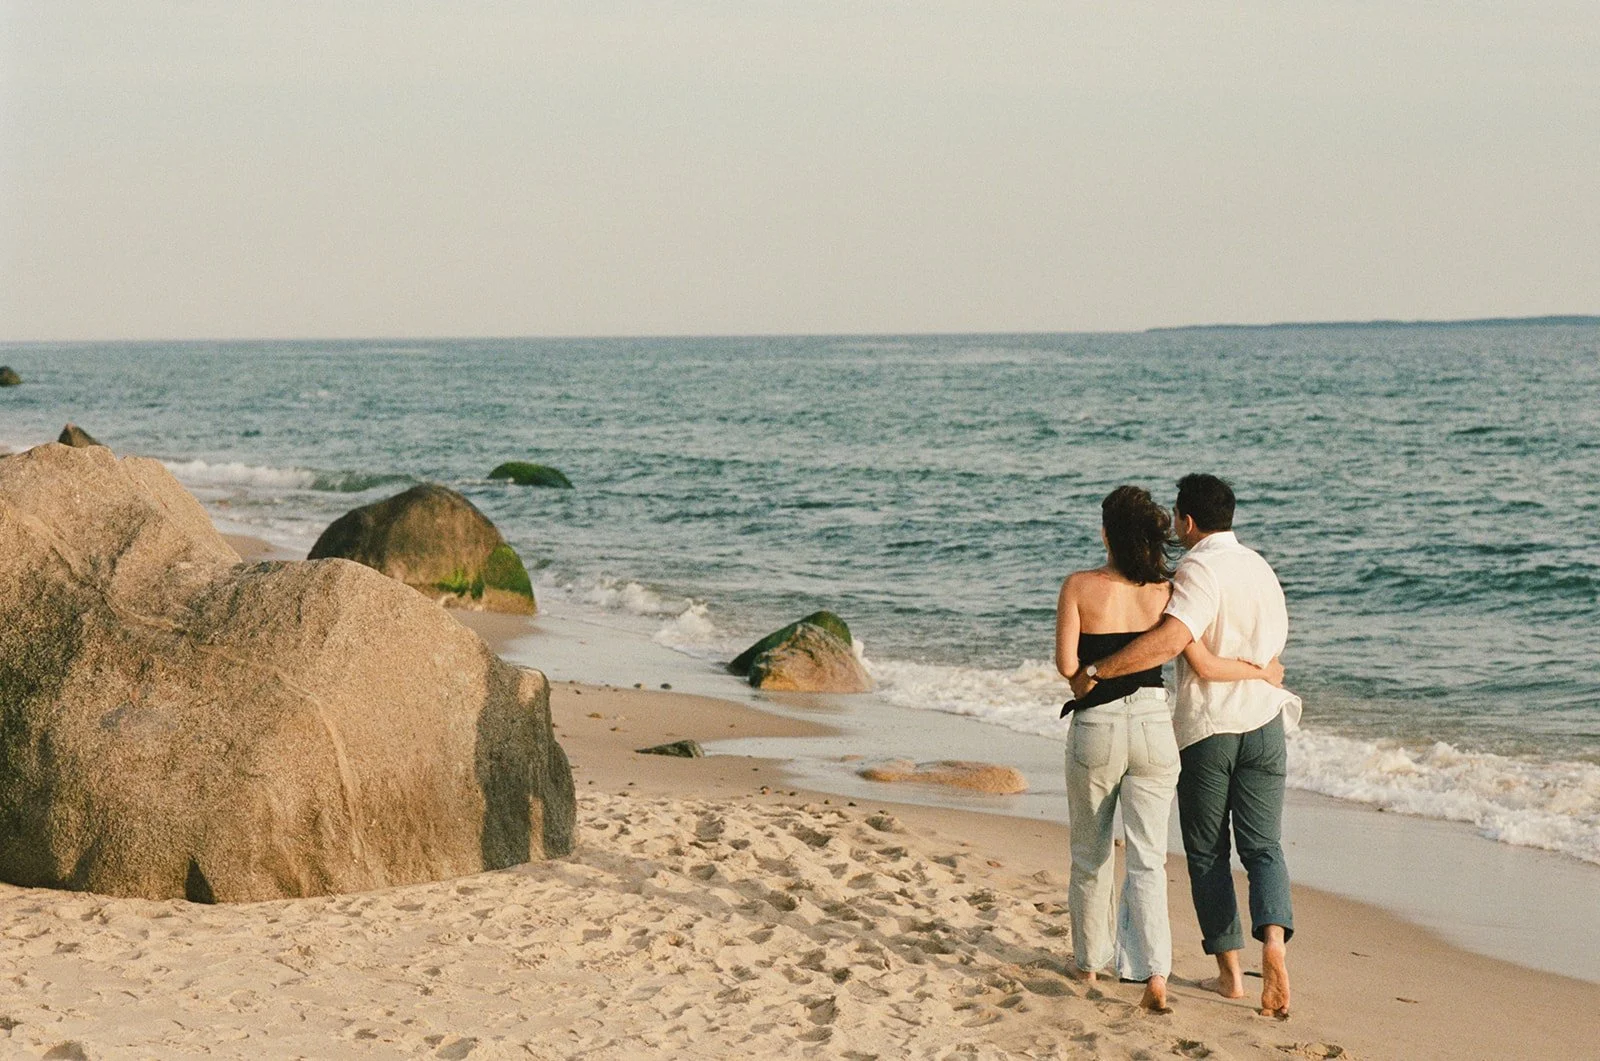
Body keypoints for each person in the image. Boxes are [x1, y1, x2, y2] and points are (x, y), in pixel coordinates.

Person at [1069, 474, 1300, 1018]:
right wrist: (1259, 672)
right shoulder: (1261, 568)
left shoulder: (1198, 569)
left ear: (1188, 522)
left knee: (1207, 852)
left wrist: (1099, 671)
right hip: (1267, 722)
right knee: (1265, 846)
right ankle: (1273, 944)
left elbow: (1173, 640)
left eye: (1176, 516)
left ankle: (1230, 976)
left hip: (1210, 729)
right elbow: (1275, 653)